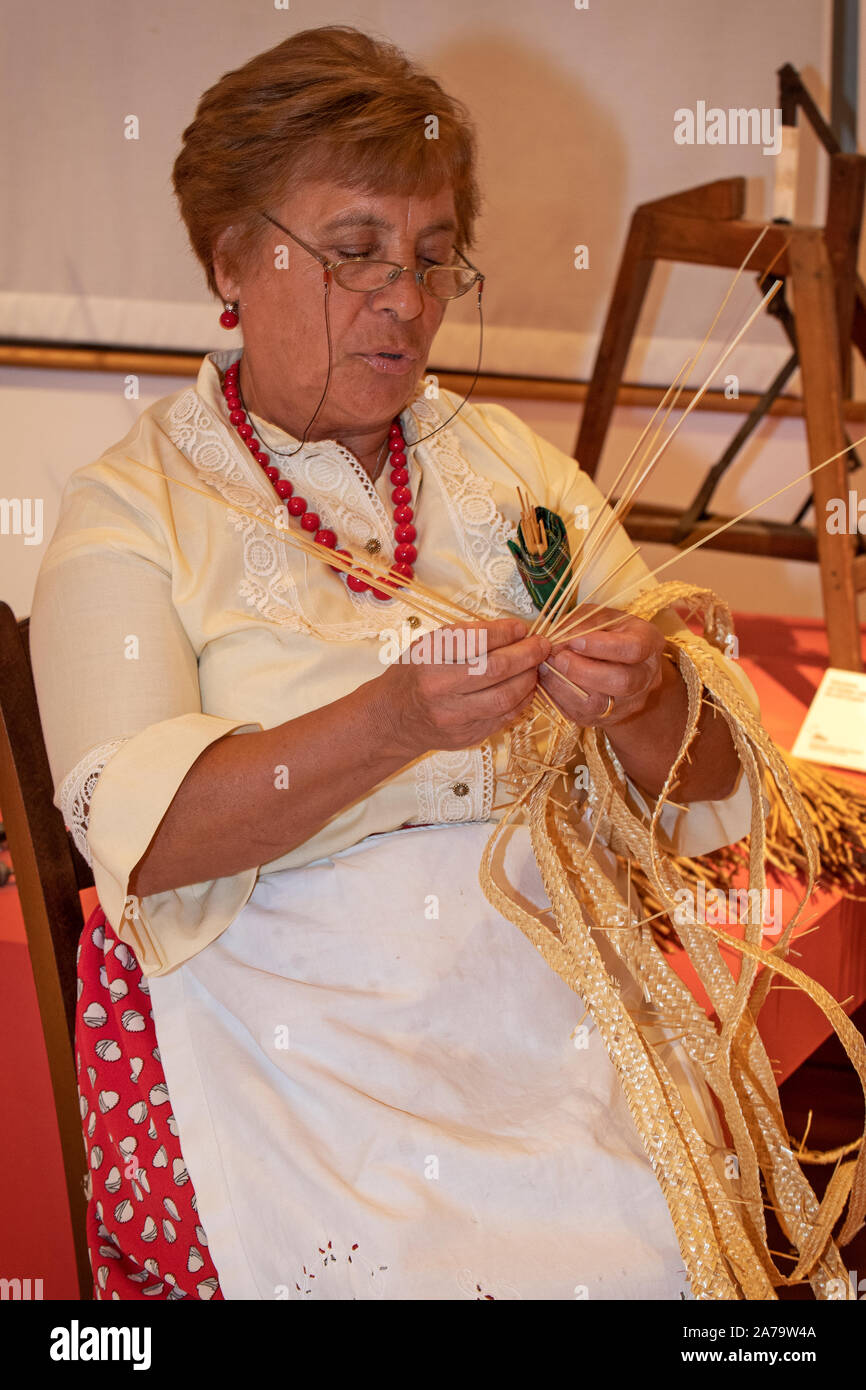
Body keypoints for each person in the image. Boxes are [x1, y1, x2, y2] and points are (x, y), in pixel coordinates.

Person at [30, 25, 759, 1300]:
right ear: (230, 258)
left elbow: (711, 785)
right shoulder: (126, 508)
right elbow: (142, 841)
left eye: (432, 260)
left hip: (543, 1027)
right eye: (354, 252)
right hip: (285, 1039)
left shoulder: (509, 472)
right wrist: (391, 722)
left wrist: (645, 696)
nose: (405, 301)